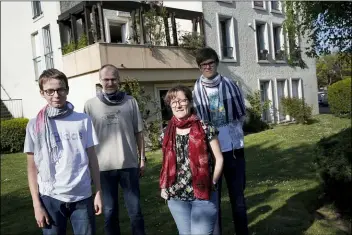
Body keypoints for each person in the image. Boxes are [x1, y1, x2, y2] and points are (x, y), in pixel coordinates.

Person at [24, 68, 102, 235]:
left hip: (82, 195)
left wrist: (98, 192)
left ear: (67, 89)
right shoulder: (34, 125)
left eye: (60, 89)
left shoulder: (83, 120)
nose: (56, 95)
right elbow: (32, 168)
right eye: (50, 91)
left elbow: (93, 159)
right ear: (42, 93)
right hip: (50, 196)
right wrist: (36, 205)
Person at [84, 64, 146, 235]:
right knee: (110, 213)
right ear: (100, 80)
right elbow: (87, 140)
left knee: (135, 212)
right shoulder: (90, 106)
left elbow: (139, 133)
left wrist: (142, 159)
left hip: (129, 165)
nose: (110, 82)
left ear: (118, 80)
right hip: (103, 168)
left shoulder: (130, 102)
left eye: (113, 79)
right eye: (106, 79)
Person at [193, 47, 249, 235]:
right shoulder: (196, 90)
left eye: (210, 63)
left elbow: (241, 115)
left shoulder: (231, 85)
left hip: (234, 150)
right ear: (200, 68)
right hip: (211, 154)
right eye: (203, 65)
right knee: (213, 201)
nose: (207, 67)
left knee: (238, 200)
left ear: (216, 63)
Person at [159, 85, 224, 235]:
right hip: (176, 197)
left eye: (182, 100)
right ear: (170, 105)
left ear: (190, 102)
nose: (178, 105)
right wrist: (164, 186)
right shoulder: (165, 133)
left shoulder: (205, 128)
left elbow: (219, 159)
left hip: (202, 194)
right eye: (174, 102)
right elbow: (166, 164)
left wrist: (213, 182)